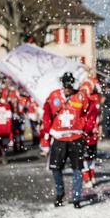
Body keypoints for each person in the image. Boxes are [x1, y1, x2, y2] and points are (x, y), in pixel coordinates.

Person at [42, 72, 89, 209]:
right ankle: (60, 193)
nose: (67, 88)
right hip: (59, 138)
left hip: (76, 138)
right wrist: (48, 130)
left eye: (69, 85)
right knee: (56, 168)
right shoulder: (54, 96)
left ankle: (76, 197)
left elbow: (89, 114)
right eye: (65, 85)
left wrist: (84, 128)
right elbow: (47, 114)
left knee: (77, 169)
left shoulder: (81, 96)